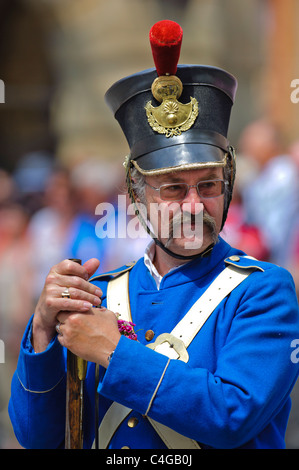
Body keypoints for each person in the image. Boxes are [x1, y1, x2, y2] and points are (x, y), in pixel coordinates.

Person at [9, 20, 299, 450]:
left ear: (228, 185)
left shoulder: (263, 292)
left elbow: (232, 415)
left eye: (208, 185)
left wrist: (114, 352)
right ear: (136, 194)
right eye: (174, 189)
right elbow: (39, 439)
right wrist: (43, 333)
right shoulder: (102, 295)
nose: (194, 205)